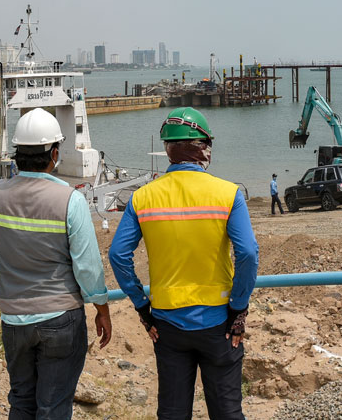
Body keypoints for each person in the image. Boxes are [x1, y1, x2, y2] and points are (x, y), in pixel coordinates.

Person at [109, 107, 259, 420]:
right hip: (219, 322)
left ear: (168, 150)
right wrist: (239, 308)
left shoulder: (143, 198)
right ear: (203, 147)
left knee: (173, 412)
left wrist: (142, 307)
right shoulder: (228, 194)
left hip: (167, 323)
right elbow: (246, 253)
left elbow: (118, 255)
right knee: (228, 412)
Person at [0, 108, 112, 419]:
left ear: (17, 153)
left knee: (21, 402)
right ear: (54, 153)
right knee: (53, 406)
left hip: (13, 319)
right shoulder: (70, 200)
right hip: (59, 319)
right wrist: (101, 308)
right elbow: (87, 267)